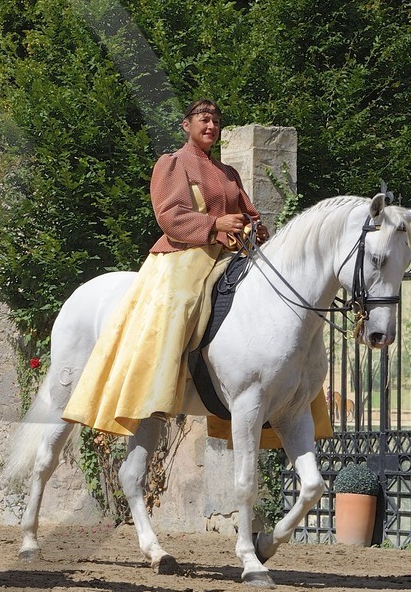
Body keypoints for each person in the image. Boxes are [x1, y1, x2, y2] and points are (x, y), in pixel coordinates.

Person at [62, 99, 268, 436]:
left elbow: (248, 210)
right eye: (204, 119)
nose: (211, 126)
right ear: (186, 125)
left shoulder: (229, 173)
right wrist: (216, 223)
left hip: (229, 255)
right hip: (184, 254)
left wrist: (255, 226)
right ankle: (160, 383)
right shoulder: (172, 163)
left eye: (216, 121)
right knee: (182, 304)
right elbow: (169, 215)